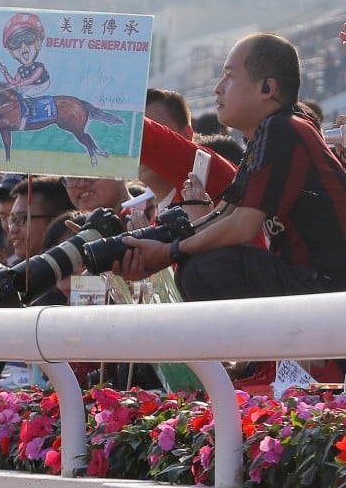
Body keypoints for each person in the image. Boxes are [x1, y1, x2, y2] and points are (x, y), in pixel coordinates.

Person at [120, 32, 346, 301]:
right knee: (195, 264)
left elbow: (242, 226)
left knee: (206, 269)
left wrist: (169, 252)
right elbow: (225, 213)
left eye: (229, 75)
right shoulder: (270, 134)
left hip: (329, 282)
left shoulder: (283, 128)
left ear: (267, 88)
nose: (218, 87)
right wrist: (152, 248)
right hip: (314, 279)